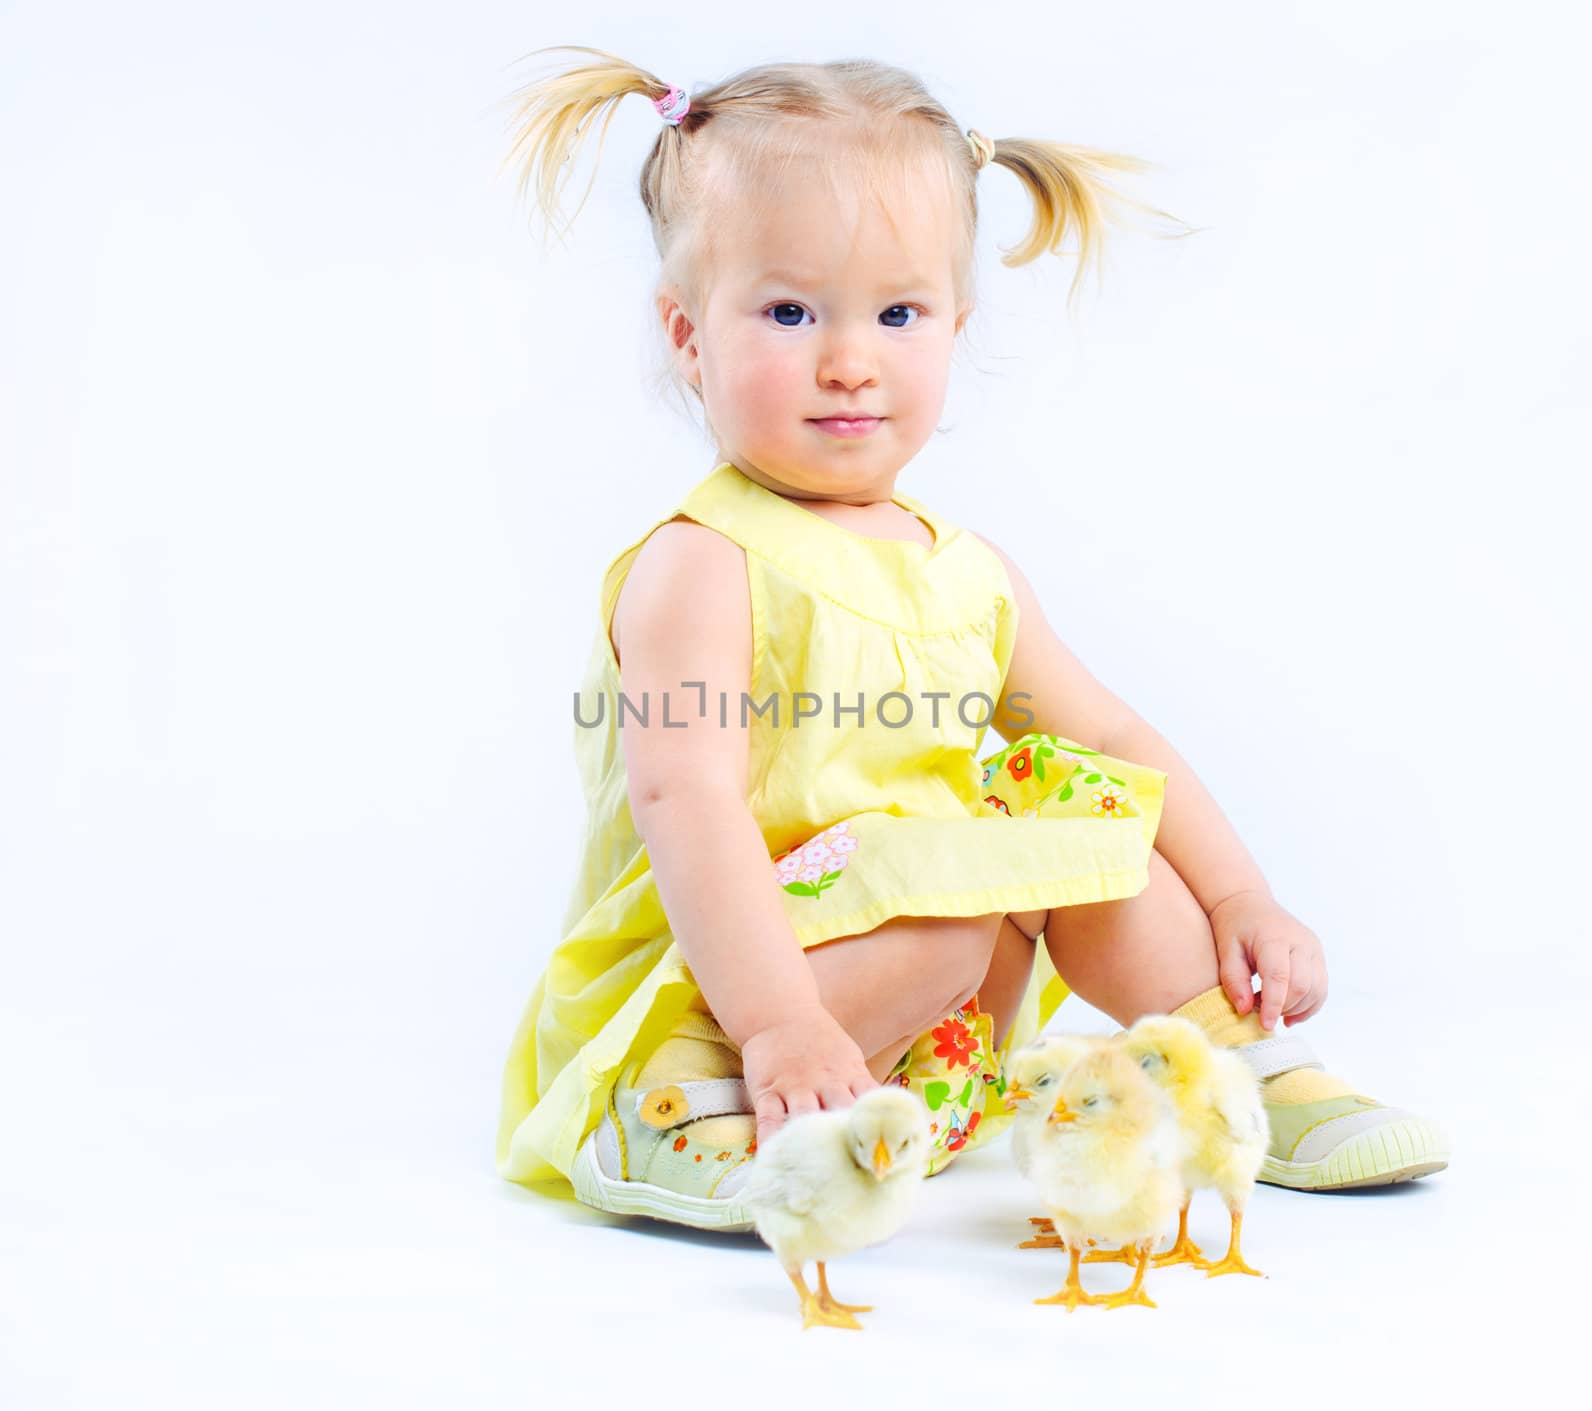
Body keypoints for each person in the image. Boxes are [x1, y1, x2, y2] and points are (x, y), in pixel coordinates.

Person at [492, 46, 1449, 1231]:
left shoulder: (967, 573)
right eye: (788, 311)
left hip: (909, 1041)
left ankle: (1225, 1054)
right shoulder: (705, 562)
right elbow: (686, 802)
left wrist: (1238, 892)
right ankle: (672, 1099)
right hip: (736, 996)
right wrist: (775, 1022)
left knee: (1078, 820)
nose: (849, 359)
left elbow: (1107, 734)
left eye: (897, 312)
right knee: (945, 906)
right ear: (688, 334)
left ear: (954, 323)